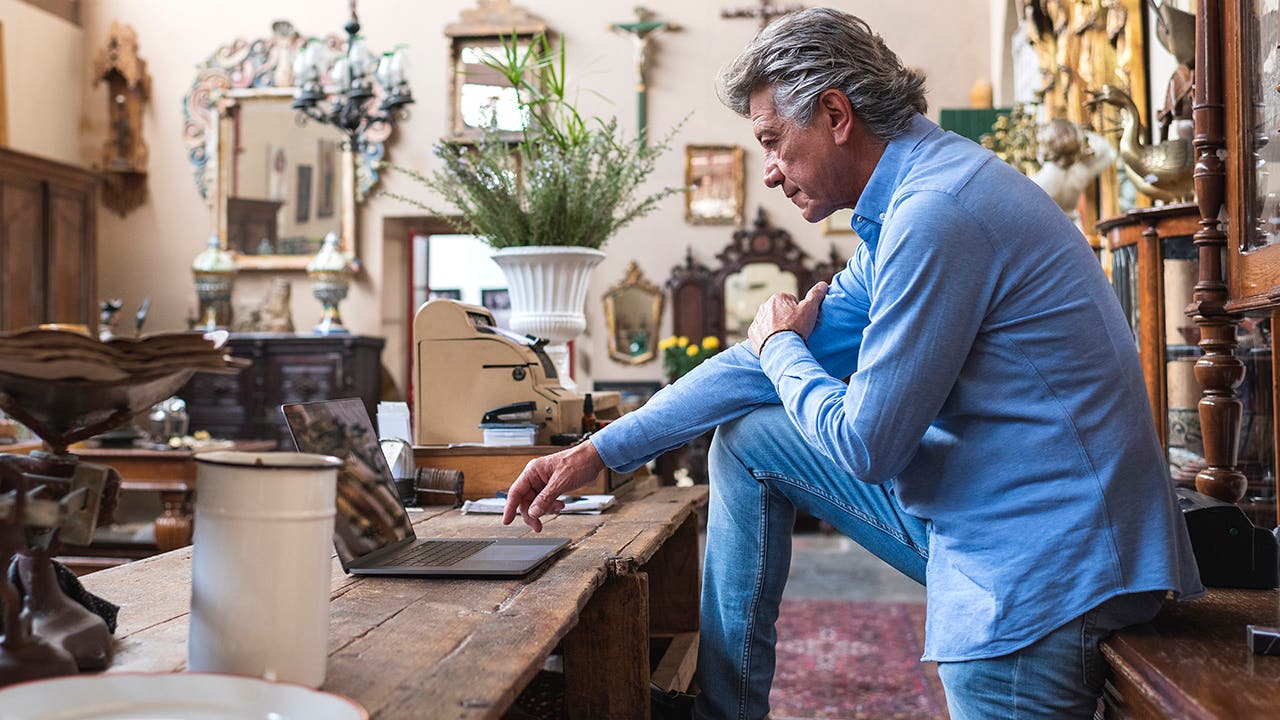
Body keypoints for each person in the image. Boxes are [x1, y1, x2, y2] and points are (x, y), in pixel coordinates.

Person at [501, 8, 1202, 719]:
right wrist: (599, 450)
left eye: (773, 142)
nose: (769, 173)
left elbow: (866, 445)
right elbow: (752, 369)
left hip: (1048, 561)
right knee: (750, 442)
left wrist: (783, 350)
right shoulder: (911, 203)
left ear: (835, 113)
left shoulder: (937, 213)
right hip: (1011, 519)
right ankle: (725, 712)